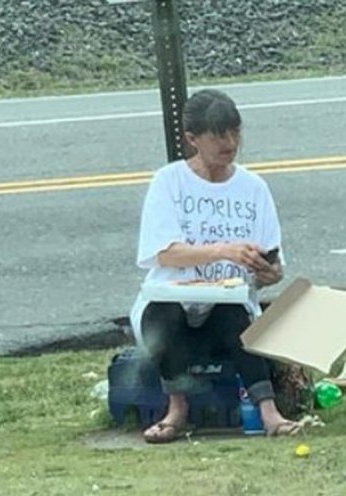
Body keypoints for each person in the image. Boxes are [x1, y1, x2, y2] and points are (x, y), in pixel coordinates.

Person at [129, 89, 302, 442]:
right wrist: (223, 251)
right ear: (193, 139)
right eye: (219, 135)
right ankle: (176, 409)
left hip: (229, 303)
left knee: (233, 314)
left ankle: (269, 412)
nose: (230, 143)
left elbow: (273, 262)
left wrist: (269, 273)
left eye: (235, 132)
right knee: (165, 314)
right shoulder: (169, 181)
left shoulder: (253, 187)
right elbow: (165, 253)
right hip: (172, 302)